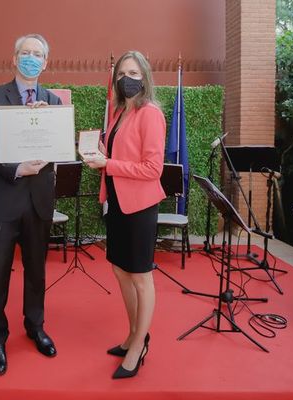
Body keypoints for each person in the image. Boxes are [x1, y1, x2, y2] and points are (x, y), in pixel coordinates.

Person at [0, 33, 61, 376]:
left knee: (36, 271)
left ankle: (35, 326)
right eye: (25, 53)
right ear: (14, 58)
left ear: (45, 62)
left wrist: (44, 125)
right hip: (1, 198)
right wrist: (15, 168)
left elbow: (60, 149)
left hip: (38, 201)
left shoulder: (53, 102)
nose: (31, 58)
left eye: (37, 54)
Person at [84, 50, 166, 379]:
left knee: (141, 278)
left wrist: (109, 164)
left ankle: (139, 346)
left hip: (140, 206)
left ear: (144, 77)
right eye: (121, 74)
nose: (126, 79)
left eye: (132, 73)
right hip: (117, 202)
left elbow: (152, 168)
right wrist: (101, 153)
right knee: (120, 270)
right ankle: (133, 333)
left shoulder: (150, 113)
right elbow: (119, 155)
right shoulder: (120, 113)